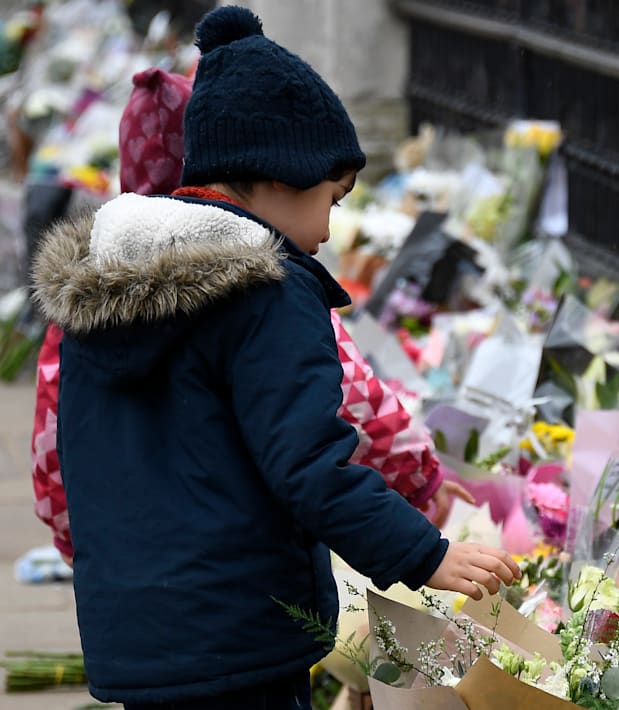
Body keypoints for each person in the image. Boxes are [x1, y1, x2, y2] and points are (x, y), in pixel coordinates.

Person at [28, 7, 517, 708]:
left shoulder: (98, 293)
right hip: (242, 633)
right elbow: (310, 464)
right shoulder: (269, 294)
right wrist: (426, 555)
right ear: (283, 176)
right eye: (333, 199)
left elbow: (79, 467)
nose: (329, 230)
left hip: (138, 636)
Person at [31, 65, 468, 568]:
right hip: (236, 583)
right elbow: (348, 408)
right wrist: (418, 483)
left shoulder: (84, 303)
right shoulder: (263, 291)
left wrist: (76, 541)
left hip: (121, 579)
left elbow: (53, 443)